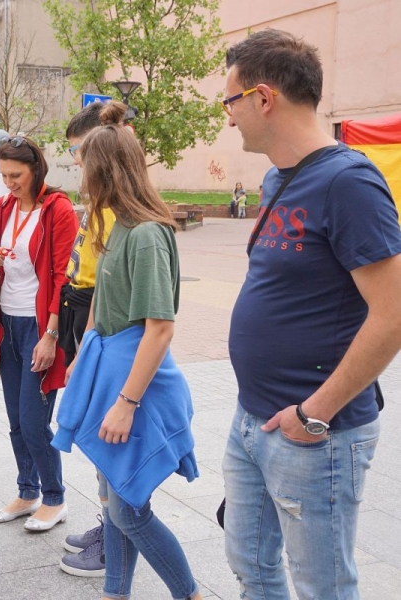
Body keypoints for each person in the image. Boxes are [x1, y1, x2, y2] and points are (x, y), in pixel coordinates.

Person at [222, 29, 401, 600]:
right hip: (253, 418)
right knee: (250, 565)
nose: (228, 117)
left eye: (229, 101)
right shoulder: (278, 177)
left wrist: (315, 413)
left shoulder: (349, 182)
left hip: (315, 433)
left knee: (323, 586)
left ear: (263, 98)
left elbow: (393, 314)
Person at [53, 124, 202, 600]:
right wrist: (83, 355)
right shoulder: (118, 224)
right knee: (117, 498)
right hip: (115, 372)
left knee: (128, 510)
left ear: (105, 169)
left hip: (138, 385)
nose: (79, 174)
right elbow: (102, 295)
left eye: (83, 164)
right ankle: (115, 592)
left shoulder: (147, 234)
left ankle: (190, 594)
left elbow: (159, 328)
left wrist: (126, 403)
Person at [0, 135, 78, 533]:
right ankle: (27, 491)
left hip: (40, 327)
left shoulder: (58, 209)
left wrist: (51, 335)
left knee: (35, 422)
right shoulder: (2, 208)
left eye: (16, 175)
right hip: (8, 323)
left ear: (36, 169)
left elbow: (63, 277)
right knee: (17, 421)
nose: (9, 183)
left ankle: (54, 498)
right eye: (3, 175)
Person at [56, 99, 127, 578]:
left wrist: (88, 341)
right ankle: (110, 525)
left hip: (99, 322)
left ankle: (116, 538)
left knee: (106, 434)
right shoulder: (98, 202)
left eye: (80, 152)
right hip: (80, 312)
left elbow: (109, 284)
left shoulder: (121, 211)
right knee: (94, 432)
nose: (77, 163)